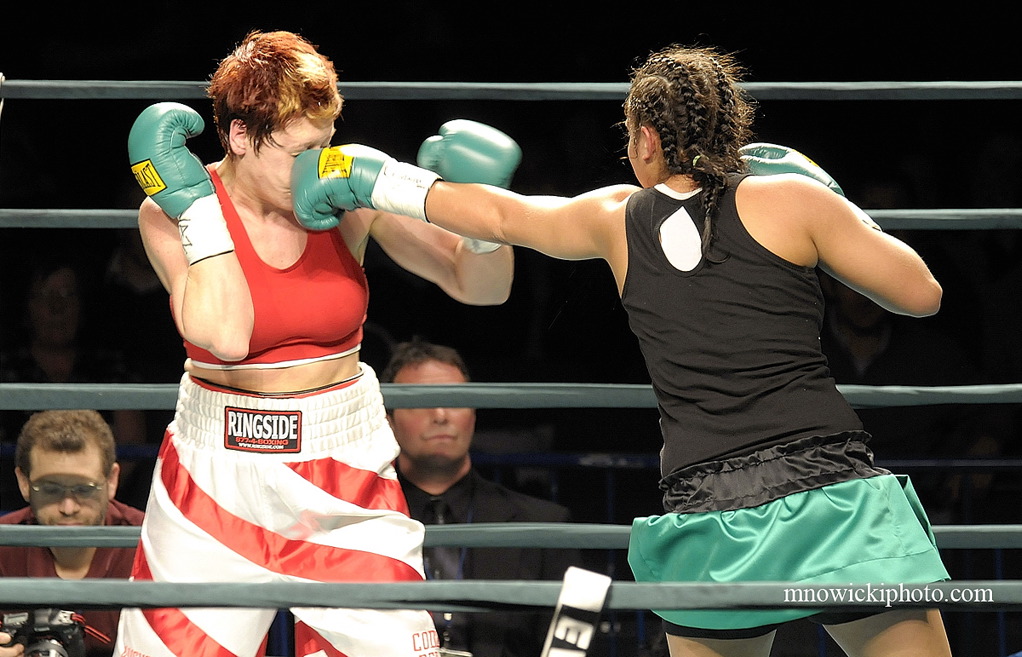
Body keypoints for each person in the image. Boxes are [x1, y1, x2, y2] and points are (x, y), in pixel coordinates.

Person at [291, 45, 953, 657]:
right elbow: (921, 293)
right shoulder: (794, 199)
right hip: (831, 491)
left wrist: (369, 174)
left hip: (711, 508)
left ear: (646, 138)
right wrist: (839, 210)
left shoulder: (616, 217)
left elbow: (494, 216)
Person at [119, 30, 520, 657]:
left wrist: (483, 220)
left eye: (326, 143)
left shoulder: (345, 196)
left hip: (345, 466)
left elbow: (479, 286)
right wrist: (198, 207)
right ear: (242, 137)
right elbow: (224, 335)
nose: (318, 164)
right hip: (212, 473)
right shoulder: (170, 208)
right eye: (301, 148)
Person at [381, 339, 581, 657]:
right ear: (388, 420)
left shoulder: (543, 526)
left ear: (473, 414)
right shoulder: (360, 526)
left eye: (456, 400)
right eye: (421, 401)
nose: (441, 415)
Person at [0, 257, 147, 510]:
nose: (56, 307)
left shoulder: (110, 365)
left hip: (98, 507)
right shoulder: (6, 367)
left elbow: (132, 447)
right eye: (44, 295)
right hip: (11, 502)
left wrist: (90, 500)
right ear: (26, 306)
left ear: (83, 305)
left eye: (67, 294)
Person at [0, 410, 145, 657]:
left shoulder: (152, 545)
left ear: (112, 480)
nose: (68, 508)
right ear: (24, 482)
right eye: (50, 489)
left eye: (84, 489)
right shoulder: (4, 546)